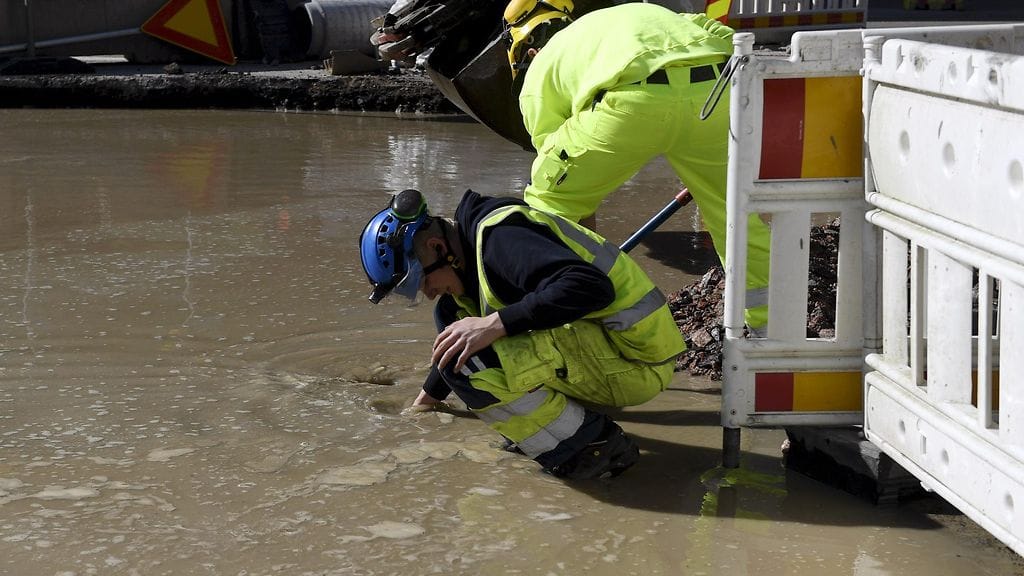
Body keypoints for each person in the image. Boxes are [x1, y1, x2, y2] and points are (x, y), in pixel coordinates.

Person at [359, 188, 685, 479]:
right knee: (454, 325)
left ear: (437, 246)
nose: (427, 292)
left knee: (467, 355)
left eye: (421, 281)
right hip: (604, 350)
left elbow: (590, 288)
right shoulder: (470, 254)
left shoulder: (501, 239)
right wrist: (422, 404)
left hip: (637, 358)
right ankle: (558, 430)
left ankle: (591, 447)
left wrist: (493, 325)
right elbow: (453, 341)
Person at [503, 0, 771, 330]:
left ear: (528, 52)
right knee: (737, 217)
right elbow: (723, 35)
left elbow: (562, 173)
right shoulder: (629, 18)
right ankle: (766, 331)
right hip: (715, 92)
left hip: (631, 102)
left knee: (545, 209)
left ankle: (549, 318)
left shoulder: (541, 68)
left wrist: (583, 234)